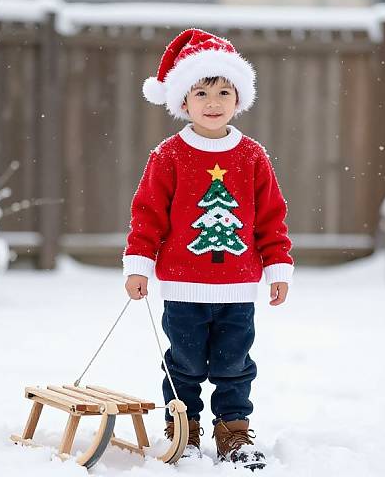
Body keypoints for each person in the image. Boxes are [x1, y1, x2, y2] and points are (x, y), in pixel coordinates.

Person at [122, 28, 294, 468]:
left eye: (223, 91)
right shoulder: (168, 155)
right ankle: (185, 429)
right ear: (183, 101)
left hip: (238, 288)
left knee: (235, 365)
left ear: (239, 97)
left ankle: (233, 432)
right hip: (182, 287)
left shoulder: (252, 156)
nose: (213, 102)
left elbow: (272, 217)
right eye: (201, 92)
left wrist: (277, 267)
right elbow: (148, 215)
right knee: (183, 365)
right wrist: (139, 265)